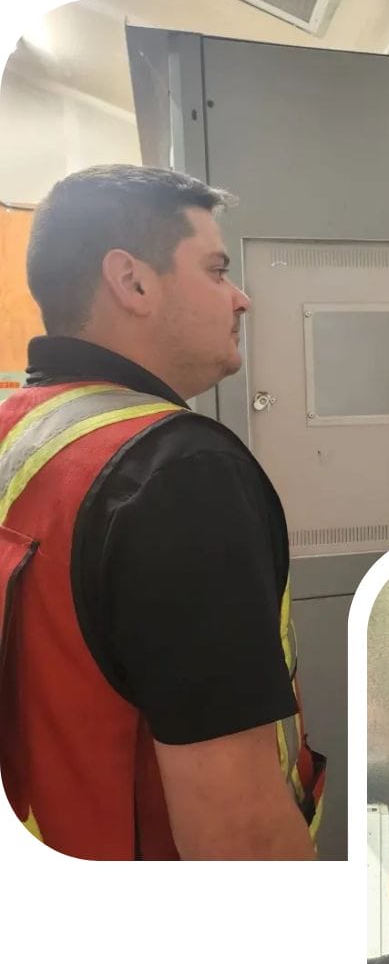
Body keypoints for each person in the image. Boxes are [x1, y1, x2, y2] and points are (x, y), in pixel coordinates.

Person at [0, 164, 322, 860]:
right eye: (215, 269)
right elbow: (238, 839)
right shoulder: (175, 475)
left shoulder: (18, 429)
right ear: (133, 282)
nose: (241, 298)